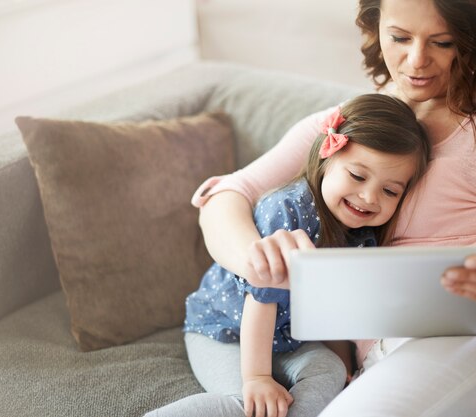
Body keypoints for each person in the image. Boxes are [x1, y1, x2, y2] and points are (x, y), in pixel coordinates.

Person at [190, 0, 476, 416]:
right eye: (400, 37)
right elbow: (223, 197)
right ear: (376, 27)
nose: (417, 60)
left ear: (472, 40)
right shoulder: (354, 126)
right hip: (380, 358)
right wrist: (256, 259)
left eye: (441, 42)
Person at [145, 94, 430, 417]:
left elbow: (333, 308)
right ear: (327, 158)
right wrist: (257, 378)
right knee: (244, 402)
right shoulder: (287, 210)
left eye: (390, 191)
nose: (368, 197)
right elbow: (262, 298)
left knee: (331, 373)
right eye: (358, 176)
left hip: (289, 338)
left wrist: (346, 363)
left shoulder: (363, 233)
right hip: (226, 330)